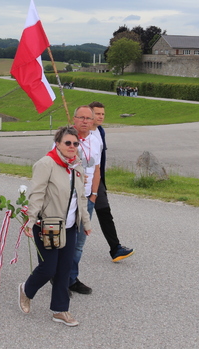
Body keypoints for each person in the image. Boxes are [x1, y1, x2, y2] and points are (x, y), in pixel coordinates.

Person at [19, 126, 91, 327]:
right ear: (58, 143)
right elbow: (37, 194)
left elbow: (81, 197)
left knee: (64, 269)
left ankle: (60, 310)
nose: (72, 146)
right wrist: (30, 220)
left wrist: (85, 222)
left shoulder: (76, 166)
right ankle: (26, 290)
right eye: (67, 142)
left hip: (69, 227)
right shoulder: (46, 164)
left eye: (75, 143)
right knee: (48, 268)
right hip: (48, 225)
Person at [89, 101, 134, 262]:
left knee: (105, 212)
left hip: (97, 179)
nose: (100, 117)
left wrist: (101, 179)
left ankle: (116, 249)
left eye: (103, 114)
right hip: (81, 180)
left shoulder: (100, 131)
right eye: (97, 114)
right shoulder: (81, 133)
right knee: (77, 217)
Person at [68, 105, 100, 295]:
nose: (85, 122)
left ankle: (71, 278)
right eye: (81, 118)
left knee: (79, 242)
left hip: (87, 198)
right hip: (69, 198)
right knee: (65, 240)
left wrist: (94, 195)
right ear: (74, 119)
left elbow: (97, 169)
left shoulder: (95, 141)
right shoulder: (67, 140)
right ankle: (60, 277)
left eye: (88, 118)